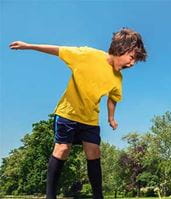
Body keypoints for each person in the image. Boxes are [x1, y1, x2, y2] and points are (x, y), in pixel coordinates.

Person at [9, 28, 147, 199]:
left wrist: (111, 118)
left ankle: (98, 196)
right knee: (62, 149)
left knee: (94, 151)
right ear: (120, 48)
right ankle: (49, 196)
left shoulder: (117, 78)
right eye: (132, 57)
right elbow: (58, 50)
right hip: (68, 113)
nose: (132, 64)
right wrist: (28, 46)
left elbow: (113, 98)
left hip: (89, 119)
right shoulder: (87, 55)